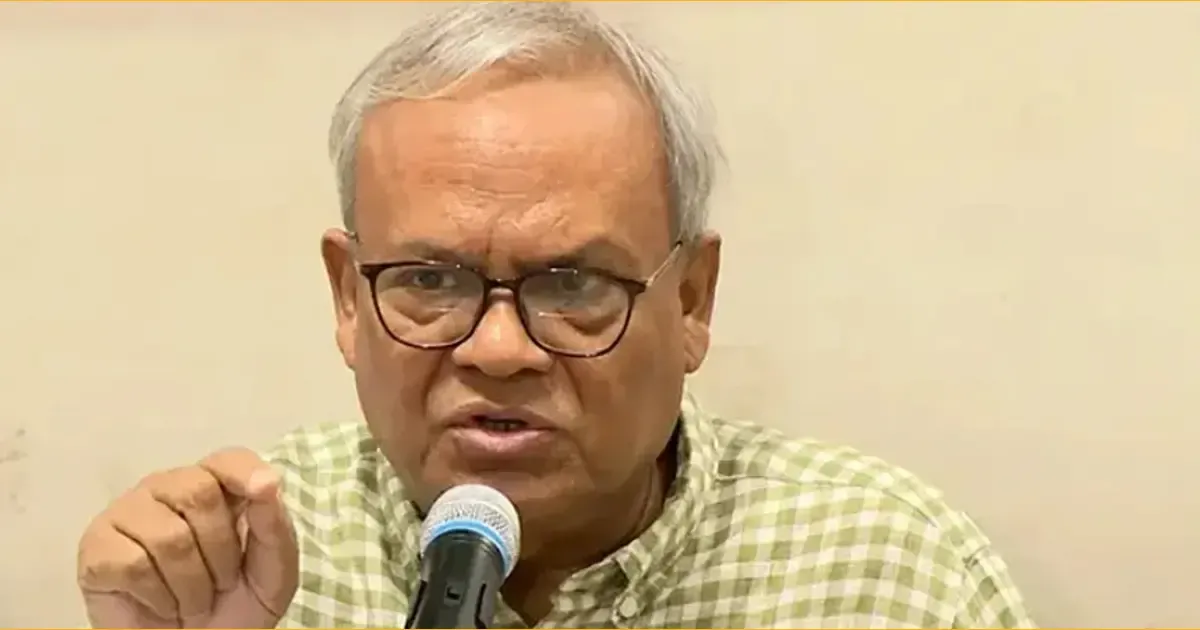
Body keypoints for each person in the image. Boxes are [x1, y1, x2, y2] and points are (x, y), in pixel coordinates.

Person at [75, 3, 1036, 628]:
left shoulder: (893, 574)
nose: (498, 350)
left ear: (691, 300)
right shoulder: (244, 567)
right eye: (429, 280)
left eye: (573, 285)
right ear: (347, 298)